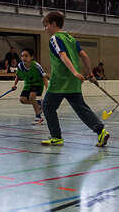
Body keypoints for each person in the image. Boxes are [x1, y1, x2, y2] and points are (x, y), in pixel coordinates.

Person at [40, 11, 109, 147]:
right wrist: (90, 75)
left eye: (46, 25)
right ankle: (101, 131)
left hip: (60, 82)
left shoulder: (55, 38)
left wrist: (74, 72)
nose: (45, 29)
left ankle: (56, 136)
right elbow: (85, 56)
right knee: (81, 108)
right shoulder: (70, 38)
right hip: (74, 83)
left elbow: (62, 56)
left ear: (53, 24)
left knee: (47, 105)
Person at [11, 47, 49, 125]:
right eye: (22, 56)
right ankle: (39, 103)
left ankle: (38, 117)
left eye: (26, 56)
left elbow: (44, 78)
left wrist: (47, 89)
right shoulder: (20, 66)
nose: (24, 58)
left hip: (37, 83)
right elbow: (18, 76)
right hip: (27, 85)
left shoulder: (36, 66)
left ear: (31, 57)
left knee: (32, 97)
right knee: (22, 100)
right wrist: (14, 84)